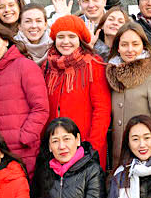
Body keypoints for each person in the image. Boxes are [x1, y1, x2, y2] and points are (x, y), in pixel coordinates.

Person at [0, 23, 52, 174]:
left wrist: (25, 137)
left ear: (6, 41)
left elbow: (40, 108)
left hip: (22, 149)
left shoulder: (25, 66)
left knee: (22, 187)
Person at [43, 15, 112, 169]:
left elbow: (102, 110)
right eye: (61, 37)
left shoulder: (93, 64)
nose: (66, 41)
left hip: (85, 148)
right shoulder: (47, 66)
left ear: (80, 39)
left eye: (71, 36)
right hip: (56, 148)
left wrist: (92, 147)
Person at [105, 22, 151, 166]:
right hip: (119, 159)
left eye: (135, 44)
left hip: (146, 158)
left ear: (144, 46)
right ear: (118, 47)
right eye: (124, 45)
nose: (130, 49)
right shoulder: (113, 76)